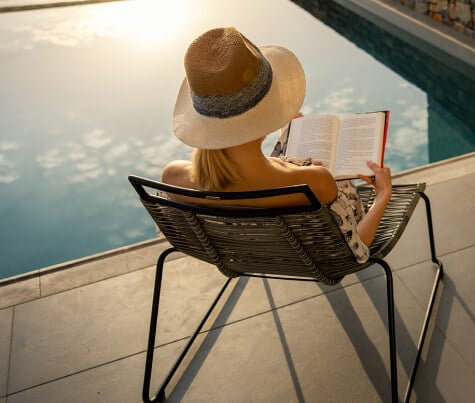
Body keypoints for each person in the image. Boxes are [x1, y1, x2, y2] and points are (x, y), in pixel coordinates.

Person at [161, 27, 391, 263]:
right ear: (266, 112)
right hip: (310, 251)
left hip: (246, 253)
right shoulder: (315, 181)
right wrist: (382, 194)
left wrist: (291, 166)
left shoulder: (173, 177)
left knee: (297, 124)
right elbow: (356, 248)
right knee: (318, 148)